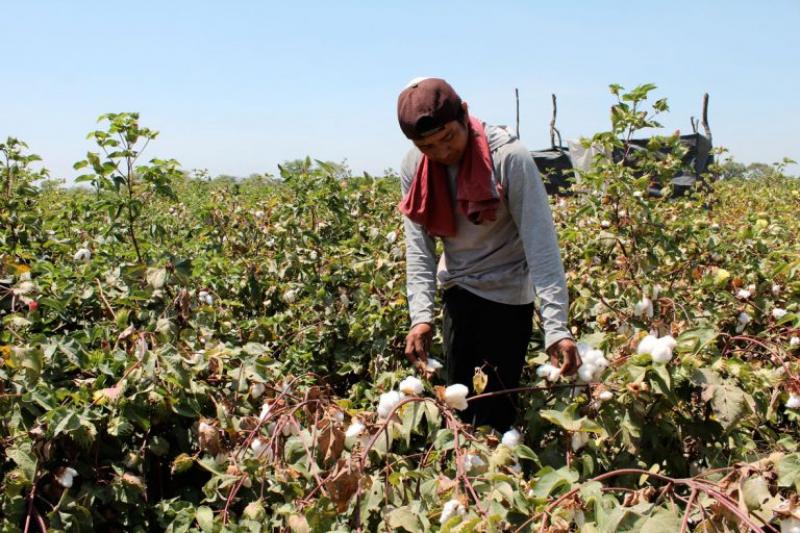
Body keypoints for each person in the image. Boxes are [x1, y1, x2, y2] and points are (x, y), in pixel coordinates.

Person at [396, 77, 579, 431]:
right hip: (459, 292)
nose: (441, 152)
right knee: (459, 410)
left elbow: (541, 244)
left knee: (496, 415)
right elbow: (419, 249)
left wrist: (557, 328)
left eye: (447, 138)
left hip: (509, 296)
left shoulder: (508, 156)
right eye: (428, 146)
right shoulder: (415, 165)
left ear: (464, 115)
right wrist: (421, 316)